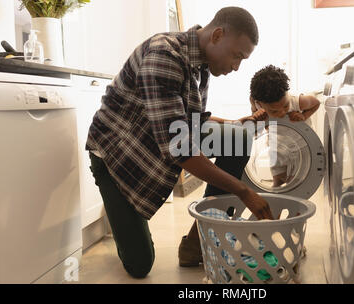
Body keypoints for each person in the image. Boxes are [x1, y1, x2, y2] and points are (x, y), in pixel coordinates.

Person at [86, 7, 274, 279]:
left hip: (156, 140)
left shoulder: (202, 65)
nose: (236, 67)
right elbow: (180, 148)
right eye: (237, 56)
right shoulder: (164, 55)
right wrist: (244, 191)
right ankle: (116, 202)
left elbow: (190, 122)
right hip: (119, 156)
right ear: (217, 35)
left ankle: (200, 240)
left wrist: (234, 126)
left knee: (239, 139)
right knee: (139, 265)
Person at [249, 65, 320, 187]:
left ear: (287, 94)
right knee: (278, 179)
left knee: (295, 182)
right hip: (276, 146)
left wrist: (304, 116)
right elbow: (258, 126)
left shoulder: (297, 102)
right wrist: (256, 115)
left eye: (285, 106)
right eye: (274, 111)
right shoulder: (258, 106)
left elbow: (316, 103)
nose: (282, 112)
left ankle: (295, 202)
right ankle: (275, 200)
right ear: (259, 103)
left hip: (301, 148)